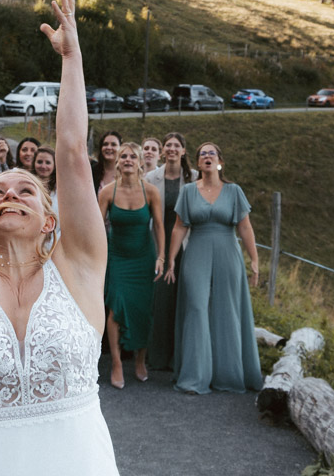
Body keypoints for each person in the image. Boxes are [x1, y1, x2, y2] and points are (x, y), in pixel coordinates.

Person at [0, 0, 119, 475]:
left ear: (50, 219)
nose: (10, 194)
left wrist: (71, 55)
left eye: (26, 190)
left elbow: (74, 154)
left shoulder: (79, 269)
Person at [164, 142, 262, 395]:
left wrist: (254, 260)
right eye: (203, 154)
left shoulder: (234, 191)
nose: (207, 157)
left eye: (212, 153)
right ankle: (196, 375)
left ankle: (228, 374)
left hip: (227, 252)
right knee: (196, 306)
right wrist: (171, 258)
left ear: (220, 161)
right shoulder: (187, 191)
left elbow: (245, 227)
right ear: (197, 163)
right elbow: (179, 227)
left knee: (226, 308)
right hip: (196, 251)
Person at [99, 142, 164, 388]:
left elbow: (158, 226)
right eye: (123, 156)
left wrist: (161, 257)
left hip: (143, 257)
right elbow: (96, 226)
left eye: (132, 157)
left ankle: (140, 359)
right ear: (118, 162)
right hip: (116, 257)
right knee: (115, 308)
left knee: (142, 309)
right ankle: (116, 363)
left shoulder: (151, 192)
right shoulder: (107, 192)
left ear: (139, 162)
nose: (128, 160)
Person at [143, 132, 194, 370]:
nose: (172, 149)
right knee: (161, 300)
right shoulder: (151, 178)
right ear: (163, 151)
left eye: (177, 145)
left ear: (183, 151)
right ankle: (158, 356)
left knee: (184, 300)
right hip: (159, 243)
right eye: (168, 145)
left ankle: (181, 358)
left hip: (188, 244)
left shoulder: (194, 178)